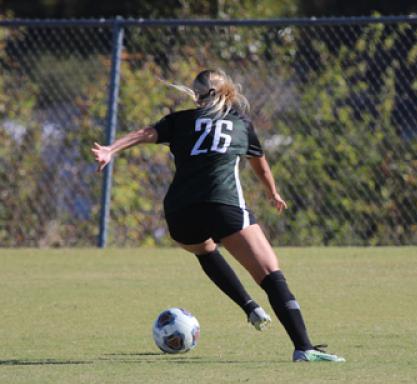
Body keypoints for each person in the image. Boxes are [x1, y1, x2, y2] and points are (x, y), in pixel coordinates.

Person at [92, 68, 345, 363]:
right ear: (228, 92)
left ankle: (249, 306)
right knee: (271, 275)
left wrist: (111, 149)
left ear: (196, 95)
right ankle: (304, 347)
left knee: (205, 249)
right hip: (223, 206)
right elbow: (260, 166)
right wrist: (272, 193)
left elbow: (144, 133)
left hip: (179, 213)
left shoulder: (180, 120)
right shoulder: (240, 124)